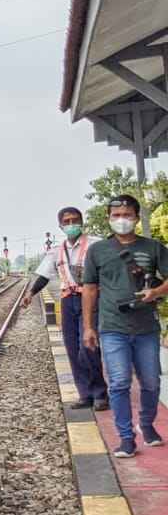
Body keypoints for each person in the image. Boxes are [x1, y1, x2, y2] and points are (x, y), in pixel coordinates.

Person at [82, 195, 168, 457]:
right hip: (112, 328)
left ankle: (146, 423)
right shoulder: (97, 251)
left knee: (151, 382)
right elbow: (89, 289)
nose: (122, 220)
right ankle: (126, 437)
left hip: (146, 328)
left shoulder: (153, 248)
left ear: (136, 216)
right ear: (109, 218)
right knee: (119, 382)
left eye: (127, 214)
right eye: (116, 215)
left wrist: (156, 293)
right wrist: (88, 326)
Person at [21, 207, 107, 411]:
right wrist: (30, 293)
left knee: (88, 346)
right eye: (66, 221)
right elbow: (44, 275)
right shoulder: (56, 251)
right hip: (68, 300)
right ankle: (85, 394)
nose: (71, 224)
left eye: (75, 220)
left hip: (91, 299)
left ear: (82, 222)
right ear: (60, 226)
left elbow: (109, 270)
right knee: (72, 348)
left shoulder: (96, 245)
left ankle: (100, 393)